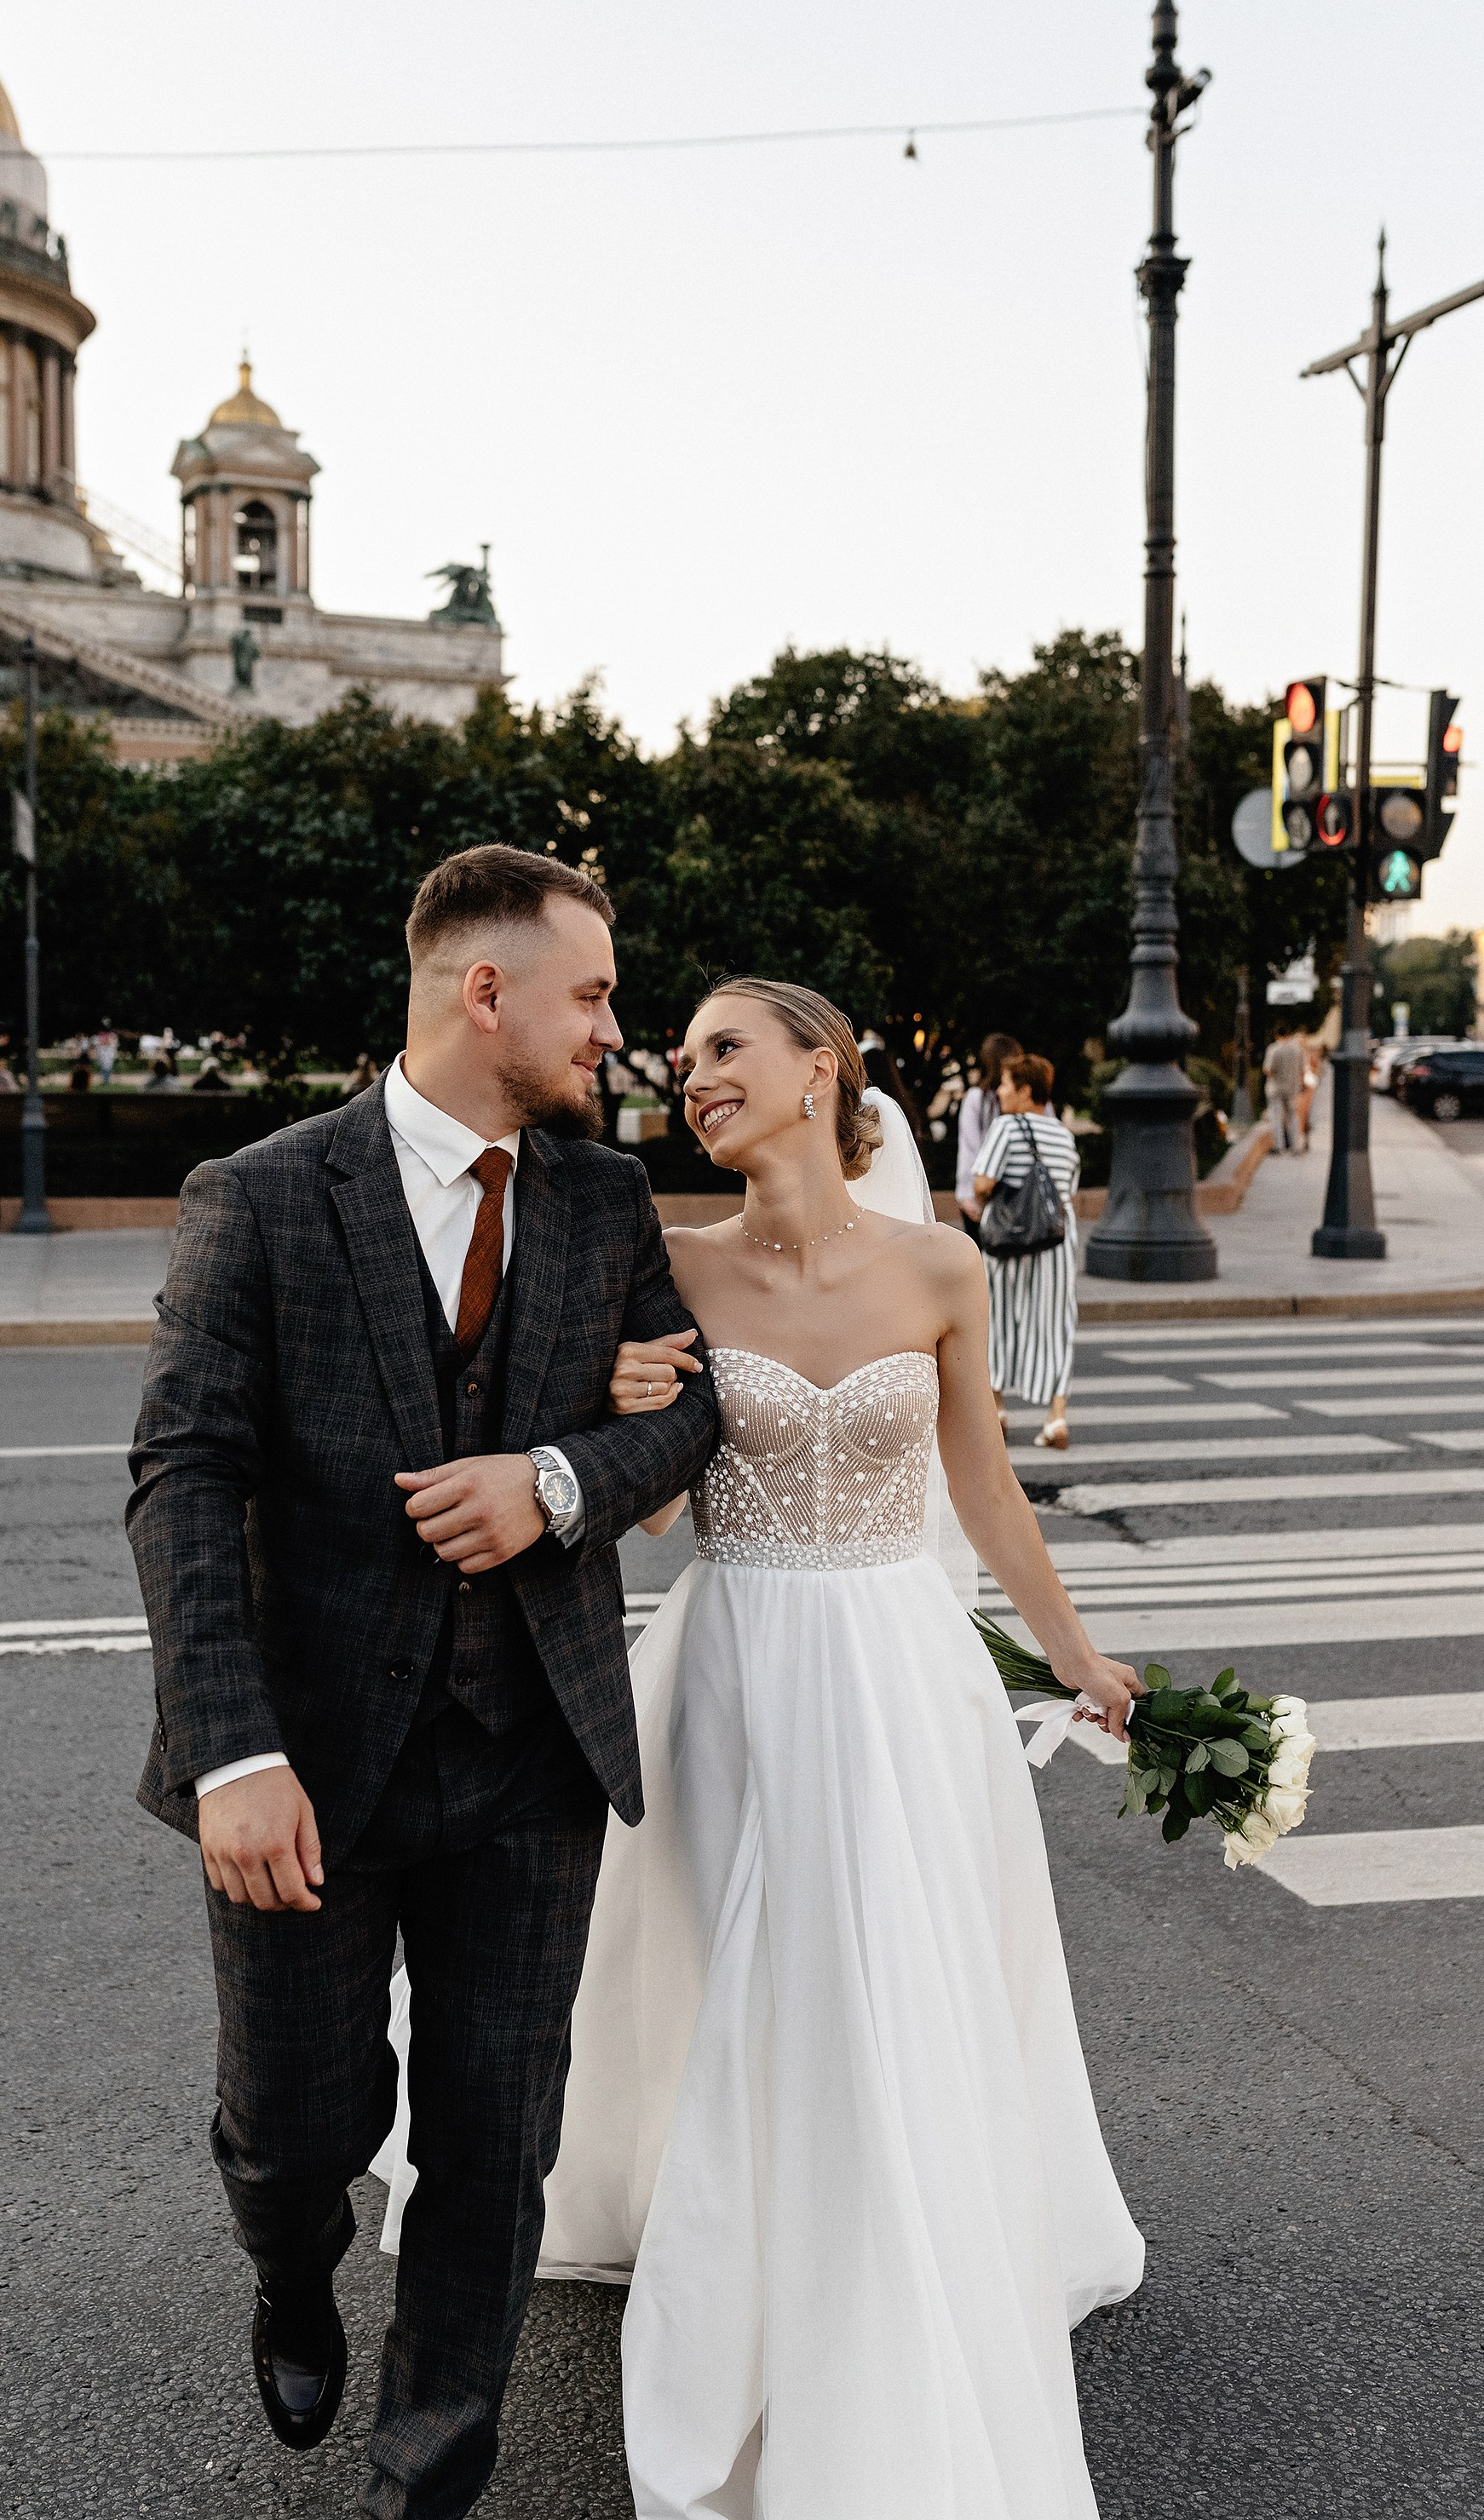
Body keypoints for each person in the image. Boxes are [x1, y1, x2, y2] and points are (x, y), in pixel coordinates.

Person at [399, 978, 1142, 2519]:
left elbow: (988, 1495)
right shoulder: (662, 1267)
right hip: (732, 1666)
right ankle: (752, 2258)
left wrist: (1077, 1655)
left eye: (725, 1048)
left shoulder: (941, 1267)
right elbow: (657, 1503)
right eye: (683, 1060)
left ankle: (881, 2248)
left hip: (898, 1671)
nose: (691, 1074)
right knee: (757, 1969)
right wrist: (621, 1402)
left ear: (823, 1071)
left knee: (882, 1963)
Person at [126, 845, 717, 2520]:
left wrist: (560, 1482)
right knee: (294, 2125)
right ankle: (293, 2259)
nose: (616, 1029)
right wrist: (230, 1747)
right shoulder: (260, 1193)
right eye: (592, 994)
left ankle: (425, 2477)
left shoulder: (601, 1203)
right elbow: (183, 1473)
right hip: (309, 1764)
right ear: (487, 991)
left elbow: (693, 1412)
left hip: (532, 1750)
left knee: (492, 2144)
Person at [973, 1052, 1081, 1450]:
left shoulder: (1006, 1126)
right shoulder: (1062, 1134)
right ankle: (1056, 1417)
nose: (999, 1091)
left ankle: (997, 1409)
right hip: (1055, 1241)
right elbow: (1067, 1190)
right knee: (1055, 1322)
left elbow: (983, 1182)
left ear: (1025, 1090)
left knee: (997, 1317)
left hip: (1010, 1240)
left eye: (1005, 1084)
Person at [954, 1030, 1022, 1225]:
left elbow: (969, 1148)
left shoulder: (977, 1098)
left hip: (981, 1189)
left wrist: (966, 1194)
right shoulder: (1028, 1098)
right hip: (1017, 1194)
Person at [1263, 1025, 1305, 1151]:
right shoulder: (1297, 1049)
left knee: (1276, 1116)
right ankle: (1295, 1145)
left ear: (1277, 1036)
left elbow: (1268, 1069)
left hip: (1276, 1087)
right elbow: (1301, 1070)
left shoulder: (1274, 1049)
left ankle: (1278, 1146)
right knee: (1292, 1116)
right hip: (1292, 1087)